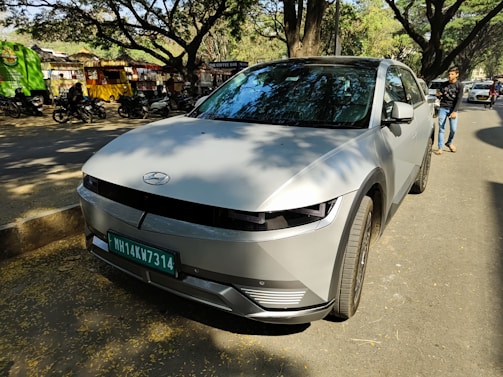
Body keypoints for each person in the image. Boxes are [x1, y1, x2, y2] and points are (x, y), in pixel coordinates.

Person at [434, 66, 464, 155]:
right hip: (443, 108)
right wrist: (438, 95)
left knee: (453, 129)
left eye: (452, 74)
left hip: (452, 109)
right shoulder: (444, 84)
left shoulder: (460, 85)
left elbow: (459, 99)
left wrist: (454, 111)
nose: (450, 76)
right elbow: (439, 95)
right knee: (441, 128)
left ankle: (449, 142)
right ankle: (440, 148)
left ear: (457, 75)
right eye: (449, 74)